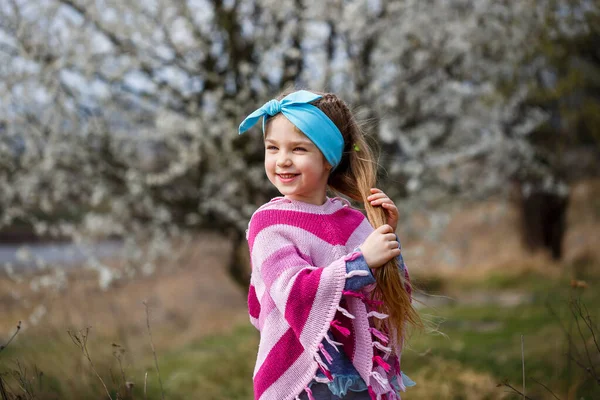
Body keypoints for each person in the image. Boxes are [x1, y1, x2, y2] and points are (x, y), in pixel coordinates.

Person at [239, 90, 421, 400]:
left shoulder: (351, 221)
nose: (282, 159)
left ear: (328, 159)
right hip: (306, 384)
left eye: (298, 149)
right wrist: (363, 262)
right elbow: (294, 291)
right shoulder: (269, 223)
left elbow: (389, 295)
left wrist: (387, 240)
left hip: (356, 376)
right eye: (272, 148)